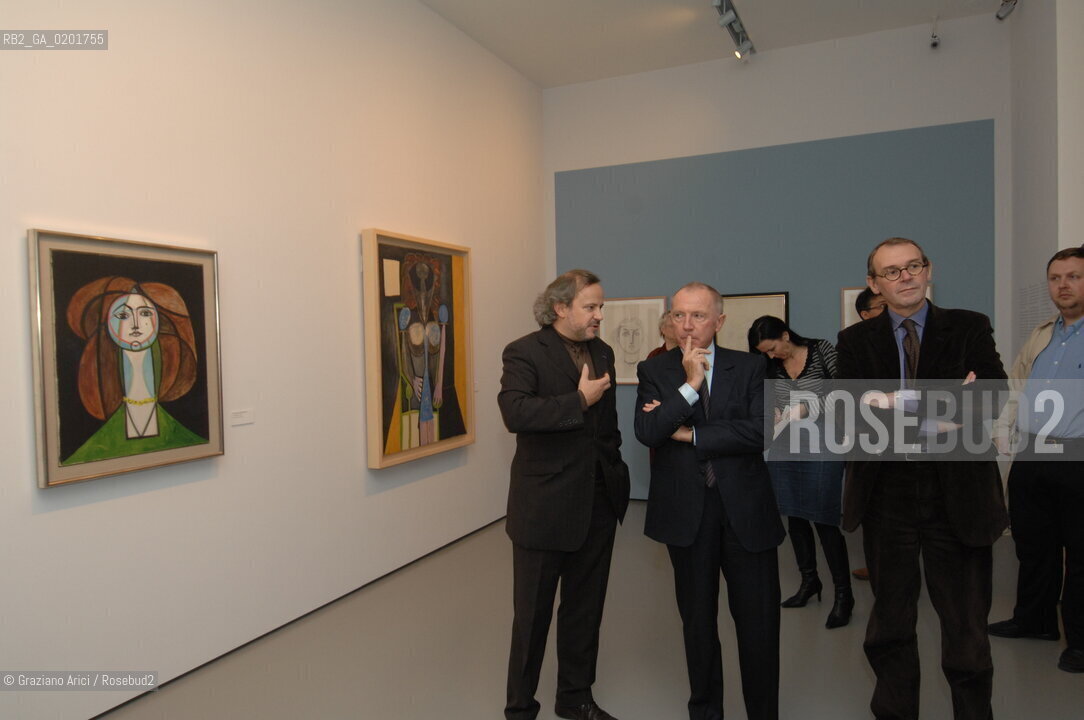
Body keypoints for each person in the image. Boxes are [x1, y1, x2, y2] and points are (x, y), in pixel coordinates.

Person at [835, 237, 1007, 719]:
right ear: (875, 284)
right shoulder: (855, 342)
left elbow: (990, 397)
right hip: (886, 494)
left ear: (929, 271)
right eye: (892, 271)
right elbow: (853, 415)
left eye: (914, 266)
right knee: (890, 624)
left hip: (959, 492)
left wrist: (892, 402)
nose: (905, 276)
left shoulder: (969, 327)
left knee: (967, 628)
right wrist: (948, 402)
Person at [635, 282, 783, 720]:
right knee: (697, 626)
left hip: (746, 513)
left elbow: (761, 431)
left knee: (758, 627)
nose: (687, 325)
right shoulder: (656, 371)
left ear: (718, 322)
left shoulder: (752, 366)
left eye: (698, 316)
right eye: (679, 315)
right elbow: (647, 433)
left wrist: (691, 434)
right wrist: (690, 385)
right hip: (687, 514)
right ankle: (706, 712)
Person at [498, 269, 631, 720]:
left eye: (600, 307)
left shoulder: (604, 351)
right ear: (560, 308)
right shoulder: (523, 352)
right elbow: (515, 412)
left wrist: (615, 471)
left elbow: (606, 428)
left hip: (597, 504)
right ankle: (520, 708)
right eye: (590, 307)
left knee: (585, 612)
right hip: (544, 508)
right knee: (532, 619)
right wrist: (578, 402)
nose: (598, 315)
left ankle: (575, 699)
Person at [988, 246, 1084, 674]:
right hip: (1032, 452)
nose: (1063, 285)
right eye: (1056, 277)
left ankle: (1080, 640)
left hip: (1078, 456)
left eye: (1074, 276)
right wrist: (1003, 429)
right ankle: (1035, 620)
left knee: (1080, 553)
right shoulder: (1042, 334)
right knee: (1033, 544)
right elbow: (1015, 385)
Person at [748, 315, 852, 628]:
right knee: (794, 515)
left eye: (773, 348)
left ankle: (844, 595)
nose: (771, 355)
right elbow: (770, 401)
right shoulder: (770, 366)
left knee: (824, 518)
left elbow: (844, 389)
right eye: (764, 352)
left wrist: (808, 407)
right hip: (787, 442)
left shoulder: (821, 350)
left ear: (785, 334)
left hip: (824, 440)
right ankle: (810, 582)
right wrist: (775, 411)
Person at [63, 276, 205, 465]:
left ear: (158, 322)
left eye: (145, 314)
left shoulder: (188, 440)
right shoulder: (91, 453)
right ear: (106, 324)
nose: (136, 324)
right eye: (123, 315)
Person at [849, 288, 888, 581]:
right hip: (871, 445)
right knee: (874, 514)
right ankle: (876, 565)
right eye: (882, 306)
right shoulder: (852, 344)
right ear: (865, 314)